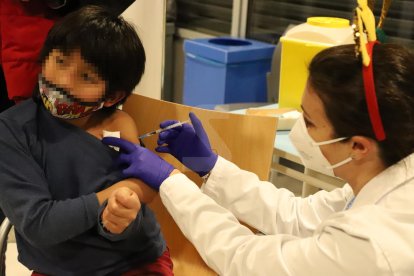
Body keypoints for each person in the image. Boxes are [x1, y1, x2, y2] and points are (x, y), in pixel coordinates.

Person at [103, 40, 414, 275]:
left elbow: (244, 258)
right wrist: (211, 167)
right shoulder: (386, 174)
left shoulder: (370, 242)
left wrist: (170, 182)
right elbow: (294, 215)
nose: (300, 131)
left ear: (358, 147)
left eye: (309, 122)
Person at [0, 6, 174, 275]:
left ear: (113, 96)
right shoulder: (13, 130)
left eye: (86, 77)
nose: (63, 81)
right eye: (59, 61)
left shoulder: (119, 124)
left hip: (137, 262)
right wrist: (115, 195)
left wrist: (116, 221)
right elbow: (38, 223)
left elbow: (136, 203)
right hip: (58, 270)